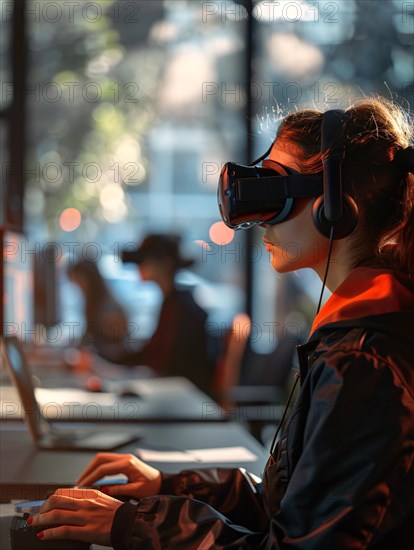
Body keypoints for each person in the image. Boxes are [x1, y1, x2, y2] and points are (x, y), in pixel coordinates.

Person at [29, 97, 414, 548]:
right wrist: (166, 487)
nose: (256, 221)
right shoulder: (356, 334)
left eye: (275, 189)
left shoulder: (364, 361)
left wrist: (134, 525)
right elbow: (287, 506)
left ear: (333, 208)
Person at [117, 233, 212, 393]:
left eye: (146, 260)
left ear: (165, 264)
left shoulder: (183, 309)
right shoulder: (173, 302)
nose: (140, 266)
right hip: (175, 392)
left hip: (183, 398)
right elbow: (153, 354)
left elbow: (171, 365)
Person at [67, 258, 129, 364]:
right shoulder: (92, 303)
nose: (78, 287)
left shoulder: (109, 308)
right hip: (101, 364)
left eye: (79, 281)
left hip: (112, 366)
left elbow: (117, 349)